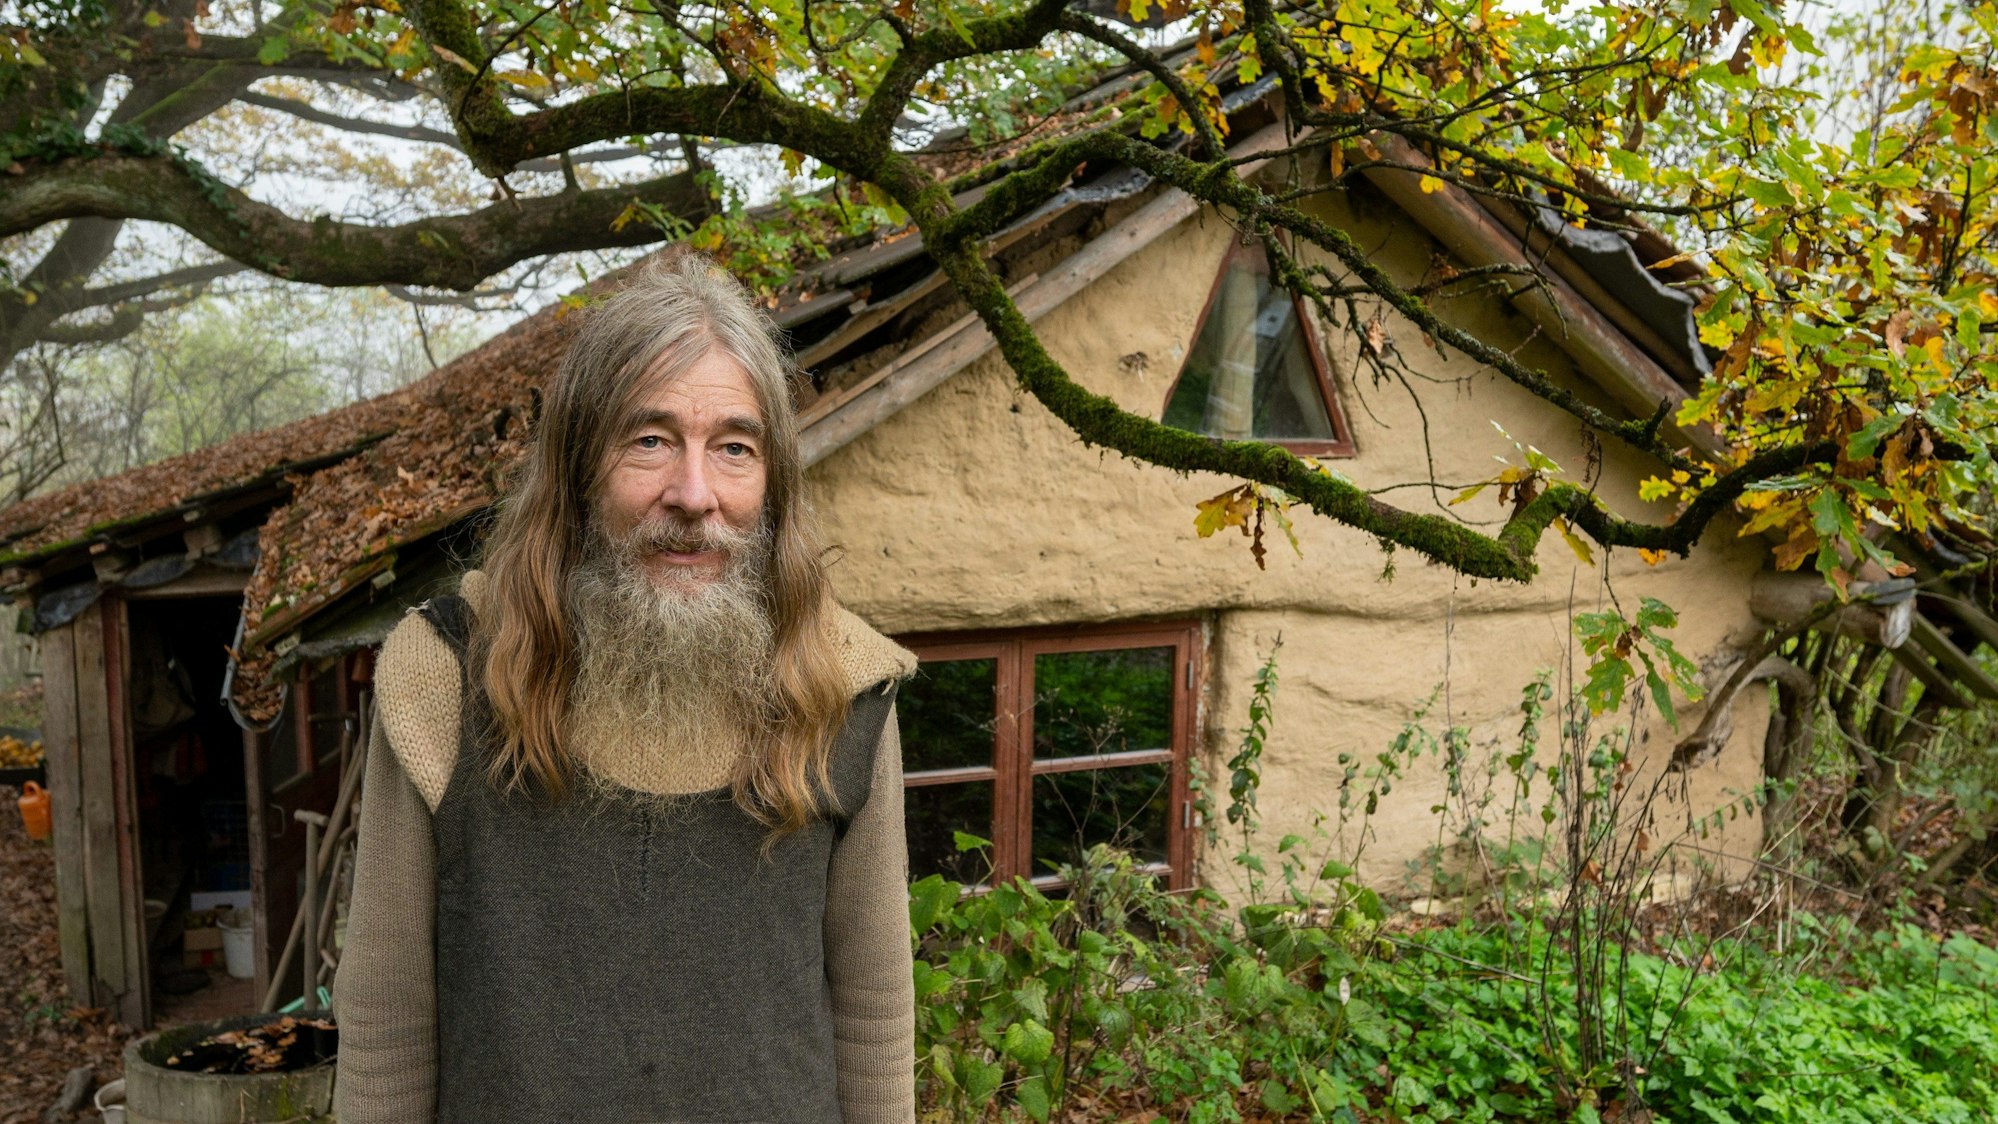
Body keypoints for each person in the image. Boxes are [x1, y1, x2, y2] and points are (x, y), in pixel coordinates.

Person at [332, 253, 919, 1124]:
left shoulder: (846, 686)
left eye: (734, 448)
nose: (694, 494)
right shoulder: (442, 675)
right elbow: (386, 1034)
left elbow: (874, 1024)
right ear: (577, 468)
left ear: (774, 482)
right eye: (649, 441)